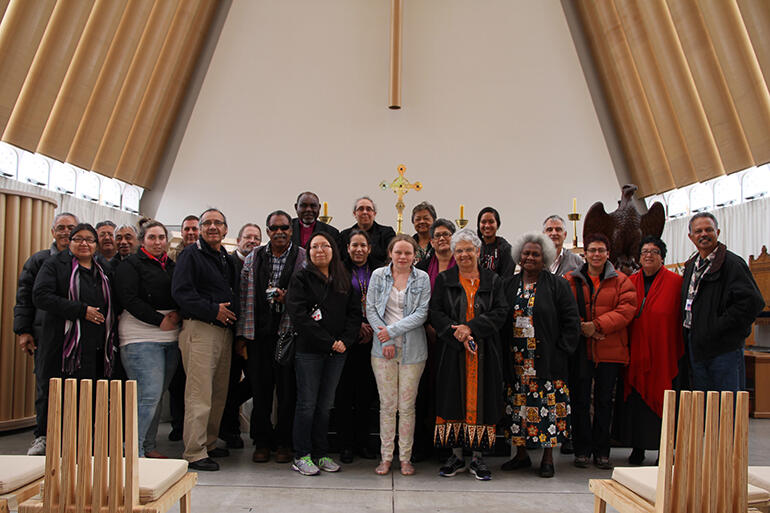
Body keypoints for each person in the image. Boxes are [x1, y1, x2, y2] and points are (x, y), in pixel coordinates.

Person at [430, 229, 508, 481]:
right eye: (459, 250)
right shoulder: (444, 279)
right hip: (453, 351)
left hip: (485, 351)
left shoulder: (493, 280)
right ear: (454, 254)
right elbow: (436, 312)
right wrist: (457, 333)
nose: (464, 254)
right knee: (453, 398)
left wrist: (471, 328)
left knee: (482, 401)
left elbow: (500, 312)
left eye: (468, 249)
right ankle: (456, 456)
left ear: (478, 251)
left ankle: (478, 457)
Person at [500, 232, 580, 478]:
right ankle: (521, 455)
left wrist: (562, 353)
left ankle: (547, 459)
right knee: (518, 408)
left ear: (544, 257)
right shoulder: (508, 284)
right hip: (517, 361)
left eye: (535, 254)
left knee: (549, 409)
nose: (530, 258)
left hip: (547, 361)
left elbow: (571, 322)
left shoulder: (558, 285)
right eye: (526, 253)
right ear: (519, 256)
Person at [286, 232, 361, 476]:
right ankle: (301, 455)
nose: (320, 250)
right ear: (308, 252)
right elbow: (299, 317)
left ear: (333, 250)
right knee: (307, 404)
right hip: (310, 351)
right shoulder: (301, 278)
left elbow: (353, 314)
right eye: (315, 246)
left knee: (325, 405)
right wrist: (330, 342)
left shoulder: (343, 277)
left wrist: (345, 342)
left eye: (325, 246)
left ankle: (320, 453)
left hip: (337, 352)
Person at [171, 208, 239, 471]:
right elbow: (181, 293)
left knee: (218, 392)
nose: (212, 227)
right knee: (199, 393)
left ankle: (209, 442)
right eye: (207, 223)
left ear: (225, 229)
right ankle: (194, 451)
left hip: (223, 331)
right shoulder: (190, 255)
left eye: (217, 223)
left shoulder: (225, 257)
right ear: (199, 229)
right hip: (200, 330)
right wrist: (214, 310)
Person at [237, 210, 306, 464]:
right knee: (261, 391)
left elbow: (309, 295)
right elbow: (244, 296)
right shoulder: (254, 257)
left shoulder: (302, 257)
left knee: (288, 393)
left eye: (284, 228)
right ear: (267, 231)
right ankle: (262, 441)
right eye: (274, 228)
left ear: (291, 230)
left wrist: (288, 298)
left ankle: (284, 443)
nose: (279, 232)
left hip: (289, 334)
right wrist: (242, 335)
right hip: (260, 334)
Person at [565, 233, 636, 470]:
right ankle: (582, 450)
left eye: (601, 250)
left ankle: (602, 451)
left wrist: (596, 326)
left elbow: (626, 310)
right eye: (592, 250)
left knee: (605, 401)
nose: (596, 255)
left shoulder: (622, 281)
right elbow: (562, 309)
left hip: (610, 350)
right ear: (584, 254)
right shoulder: (570, 279)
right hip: (581, 352)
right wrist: (583, 329)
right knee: (580, 401)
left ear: (608, 254)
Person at [614, 236, 684, 466]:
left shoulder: (676, 283)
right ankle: (638, 448)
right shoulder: (629, 282)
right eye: (644, 251)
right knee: (637, 404)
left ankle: (664, 451)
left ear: (662, 256)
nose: (648, 255)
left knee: (664, 401)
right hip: (636, 353)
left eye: (654, 251)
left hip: (664, 353)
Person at [365, 235, 431, 476]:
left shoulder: (422, 278)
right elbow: (370, 308)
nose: (403, 257)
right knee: (387, 406)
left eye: (408, 253)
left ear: (415, 256)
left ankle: (404, 458)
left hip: (413, 350)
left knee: (407, 407)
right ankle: (385, 457)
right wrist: (388, 340)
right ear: (390, 253)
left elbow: (421, 313)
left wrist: (391, 332)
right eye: (398, 252)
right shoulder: (378, 275)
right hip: (382, 350)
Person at [14, 212, 78, 455]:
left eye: (70, 227)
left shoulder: (86, 260)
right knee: (46, 387)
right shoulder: (38, 261)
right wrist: (23, 330)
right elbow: (24, 298)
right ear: (53, 232)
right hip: (45, 334)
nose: (65, 232)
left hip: (78, 337)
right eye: (60, 227)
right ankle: (42, 436)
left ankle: (73, 438)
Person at [115, 220, 180, 458]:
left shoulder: (171, 265)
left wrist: (179, 312)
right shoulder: (130, 265)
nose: (157, 242)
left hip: (170, 335)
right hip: (140, 335)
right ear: (142, 241)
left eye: (161, 237)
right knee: (147, 395)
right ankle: (132, 450)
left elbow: (180, 292)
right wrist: (157, 319)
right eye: (152, 237)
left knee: (157, 395)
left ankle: (148, 446)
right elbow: (128, 298)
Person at [681, 212, 764, 392]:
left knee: (726, 407)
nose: (703, 234)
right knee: (703, 405)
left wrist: (717, 327)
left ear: (717, 232)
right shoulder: (691, 266)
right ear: (691, 237)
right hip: (697, 347)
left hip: (723, 349)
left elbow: (752, 303)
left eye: (708, 229)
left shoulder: (732, 264)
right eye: (698, 231)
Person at [33, 223, 117, 384]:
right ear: (70, 242)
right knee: (57, 399)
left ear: (96, 244)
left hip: (95, 348)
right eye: (78, 239)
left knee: (89, 399)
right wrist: (81, 310)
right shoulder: (54, 264)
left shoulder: (103, 268)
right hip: (62, 346)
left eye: (89, 240)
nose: (84, 244)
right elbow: (41, 296)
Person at [335, 230, 381, 463]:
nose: (359, 250)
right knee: (344, 394)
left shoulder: (380, 271)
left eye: (363, 245)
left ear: (369, 248)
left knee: (366, 394)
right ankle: (345, 444)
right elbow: (334, 306)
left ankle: (364, 442)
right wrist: (356, 328)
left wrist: (371, 326)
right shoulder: (338, 270)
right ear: (347, 248)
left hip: (374, 339)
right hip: (347, 339)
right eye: (354, 245)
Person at [413, 218, 456, 459]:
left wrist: (444, 328)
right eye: (437, 235)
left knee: (447, 389)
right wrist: (428, 324)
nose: (442, 239)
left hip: (452, 337)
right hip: (424, 334)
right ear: (430, 240)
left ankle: (446, 446)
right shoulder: (421, 267)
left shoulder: (461, 264)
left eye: (446, 234)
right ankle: (422, 444)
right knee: (423, 389)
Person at [543, 214, 584, 456]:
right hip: (544, 336)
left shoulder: (576, 262)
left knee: (569, 388)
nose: (554, 233)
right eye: (549, 229)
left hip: (567, 334)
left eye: (558, 229)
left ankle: (568, 435)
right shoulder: (538, 261)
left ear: (565, 234)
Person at [219, 223, 262, 449]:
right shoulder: (228, 263)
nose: (252, 241)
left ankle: (255, 432)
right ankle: (229, 431)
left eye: (257, 238)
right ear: (238, 240)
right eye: (248, 237)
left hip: (253, 334)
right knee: (228, 381)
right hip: (230, 332)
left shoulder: (260, 263)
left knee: (256, 382)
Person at [167, 214, 200, 441]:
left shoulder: (209, 256)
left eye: (194, 229)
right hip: (173, 325)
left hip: (196, 322)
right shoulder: (171, 258)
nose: (190, 233)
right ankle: (178, 424)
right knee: (177, 380)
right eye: (186, 229)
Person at [338, 196, 396, 264]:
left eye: (368, 209)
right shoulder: (345, 235)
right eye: (361, 209)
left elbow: (392, 256)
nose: (365, 212)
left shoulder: (386, 233)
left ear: (374, 213)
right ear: (354, 213)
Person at [476, 207, 514, 278]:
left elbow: (506, 279)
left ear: (498, 224)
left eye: (491, 222)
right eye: (483, 222)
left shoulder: (506, 249)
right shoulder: (474, 246)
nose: (487, 225)